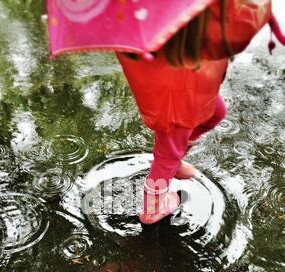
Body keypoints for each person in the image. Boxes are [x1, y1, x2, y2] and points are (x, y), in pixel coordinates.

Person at [117, 0, 273, 225]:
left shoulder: (189, 18)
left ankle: (175, 159)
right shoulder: (188, 21)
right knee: (166, 155)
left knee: (216, 113)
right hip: (176, 104)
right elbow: (240, 29)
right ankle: (152, 208)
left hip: (196, 88)